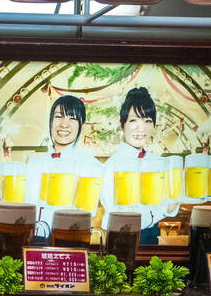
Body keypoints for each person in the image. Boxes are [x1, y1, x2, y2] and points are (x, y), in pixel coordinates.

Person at [100, 86, 169, 241]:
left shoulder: (158, 163)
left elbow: (168, 204)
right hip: (120, 235)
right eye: (133, 120)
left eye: (147, 121)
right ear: (122, 125)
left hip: (151, 236)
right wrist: (154, 213)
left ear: (153, 126)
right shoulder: (111, 165)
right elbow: (114, 211)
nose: (141, 127)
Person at [33, 95, 102, 235]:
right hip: (32, 241)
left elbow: (85, 214)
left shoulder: (91, 166)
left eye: (72, 118)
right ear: (51, 121)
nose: (64, 124)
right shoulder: (34, 163)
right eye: (58, 117)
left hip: (69, 239)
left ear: (82, 125)